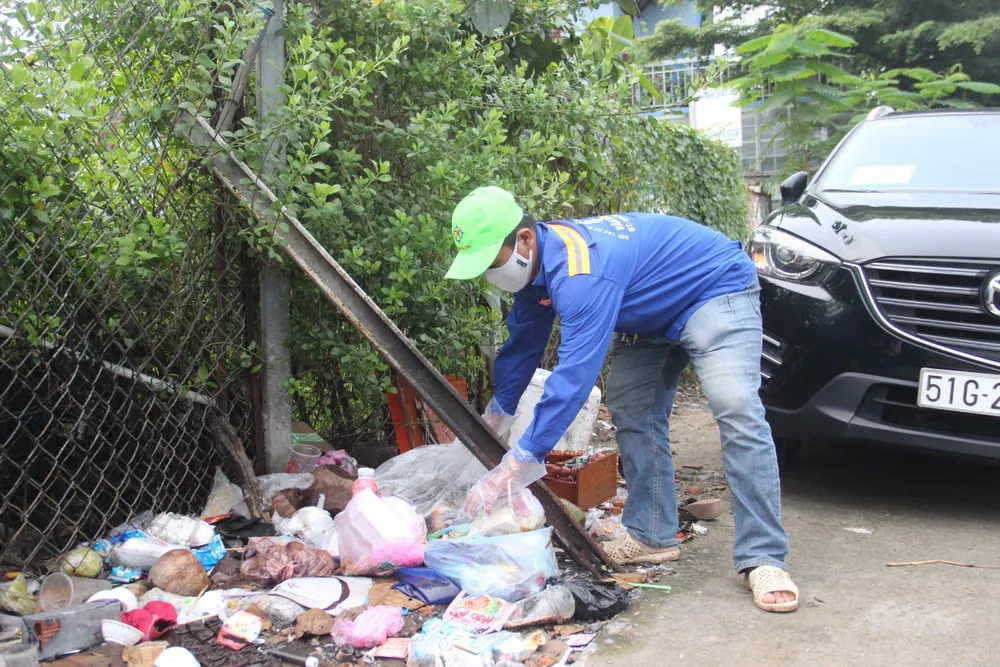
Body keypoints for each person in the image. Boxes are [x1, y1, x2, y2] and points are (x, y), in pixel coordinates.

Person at [444, 186, 799, 613]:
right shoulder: (536, 271)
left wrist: (521, 459)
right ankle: (652, 534)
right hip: (653, 312)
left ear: (524, 240)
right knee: (630, 402)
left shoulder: (580, 275)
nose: (488, 274)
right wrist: (498, 415)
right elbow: (522, 349)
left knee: (736, 406)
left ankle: (763, 556)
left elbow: (573, 378)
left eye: (490, 261)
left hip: (713, 288)